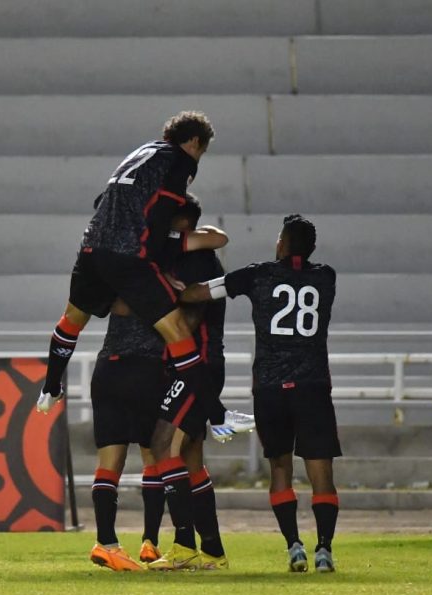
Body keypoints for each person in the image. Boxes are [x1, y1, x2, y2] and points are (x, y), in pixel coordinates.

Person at [180, 214, 342, 573]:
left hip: (270, 388)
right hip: (313, 386)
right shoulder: (326, 277)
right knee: (321, 472)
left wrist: (173, 289)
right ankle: (325, 549)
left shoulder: (257, 275)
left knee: (279, 467)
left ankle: (294, 546)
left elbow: (201, 292)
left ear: (282, 243)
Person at [89, 196, 240, 572]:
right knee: (188, 458)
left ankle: (197, 546)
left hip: (197, 366)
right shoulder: (183, 255)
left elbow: (187, 322)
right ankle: (202, 550)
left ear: (177, 223)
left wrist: (164, 297)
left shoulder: (197, 261)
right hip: (187, 367)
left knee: (162, 445)